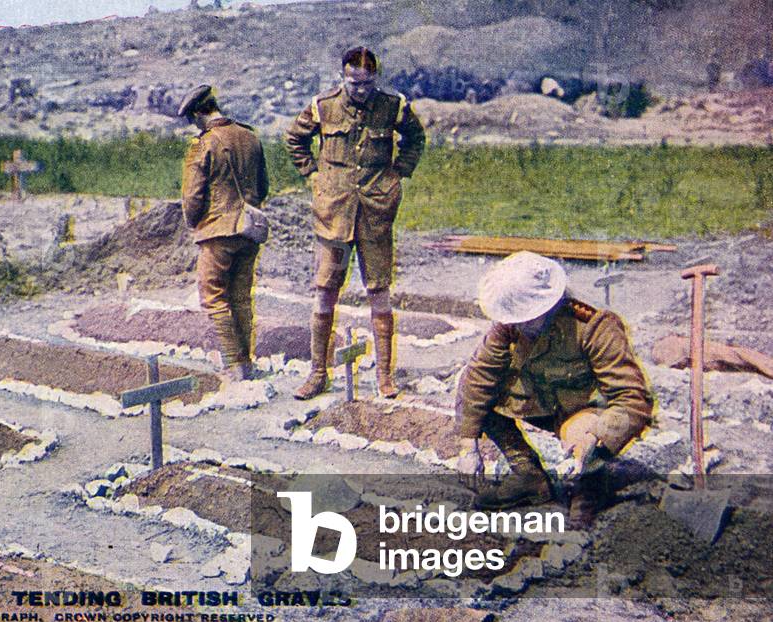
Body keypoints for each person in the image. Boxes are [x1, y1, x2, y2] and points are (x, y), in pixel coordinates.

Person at [454, 251, 653, 524]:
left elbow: (632, 398)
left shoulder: (594, 325)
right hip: (540, 399)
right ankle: (529, 477)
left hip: (583, 413)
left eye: (527, 319)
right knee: (472, 393)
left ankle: (589, 486)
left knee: (582, 434)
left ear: (550, 305)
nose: (519, 326)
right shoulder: (512, 325)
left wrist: (593, 440)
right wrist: (469, 448)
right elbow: (479, 376)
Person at [285, 46, 426, 400]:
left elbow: (416, 138)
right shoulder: (324, 105)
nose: (359, 90)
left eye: (366, 83)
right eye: (353, 83)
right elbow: (294, 138)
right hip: (333, 212)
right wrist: (314, 176)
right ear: (343, 77)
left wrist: (399, 173)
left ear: (375, 79)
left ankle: (384, 377)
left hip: (376, 211)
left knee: (379, 291)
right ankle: (318, 373)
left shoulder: (393, 106)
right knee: (325, 290)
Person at [179, 84, 269, 380]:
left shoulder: (203, 144)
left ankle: (234, 365)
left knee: (214, 296)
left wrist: (195, 223)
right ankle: (247, 362)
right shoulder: (250, 136)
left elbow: (192, 197)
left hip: (217, 231)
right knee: (242, 297)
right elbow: (263, 187)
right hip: (249, 230)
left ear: (197, 114)